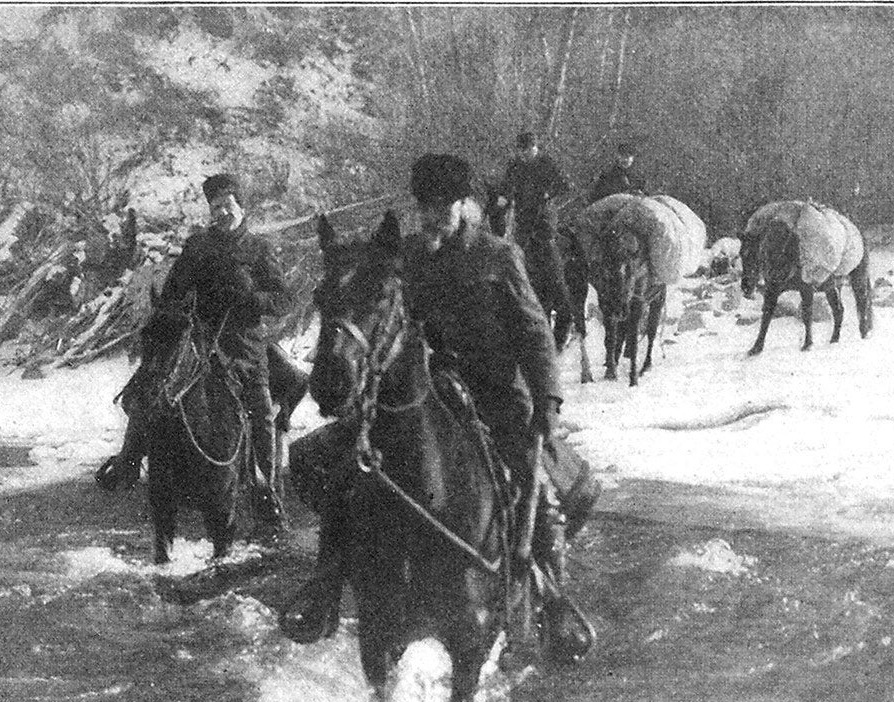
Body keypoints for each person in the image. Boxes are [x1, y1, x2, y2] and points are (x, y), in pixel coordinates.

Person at [279, 153, 572, 647]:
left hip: (493, 397)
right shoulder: (406, 256)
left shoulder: (498, 256)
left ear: (464, 205)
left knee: (532, 484)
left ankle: (549, 596)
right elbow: (375, 317)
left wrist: (547, 396)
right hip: (420, 392)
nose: (432, 219)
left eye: (442, 208)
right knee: (326, 465)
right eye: (425, 209)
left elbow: (536, 331)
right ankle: (327, 579)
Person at [95, 173, 292, 532]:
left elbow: (284, 299)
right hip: (200, 343)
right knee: (147, 389)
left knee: (261, 413)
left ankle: (266, 491)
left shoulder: (259, 249)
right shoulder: (198, 246)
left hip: (245, 348)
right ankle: (128, 460)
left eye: (227, 205)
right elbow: (173, 292)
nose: (221, 213)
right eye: (215, 207)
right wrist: (175, 312)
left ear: (241, 206)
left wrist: (252, 300)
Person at [494, 131, 576, 349]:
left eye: (529, 149)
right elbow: (506, 189)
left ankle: (559, 337)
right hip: (522, 226)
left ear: (536, 148)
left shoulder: (547, 164)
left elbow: (566, 186)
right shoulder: (515, 166)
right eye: (522, 151)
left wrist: (550, 194)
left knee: (555, 275)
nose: (526, 154)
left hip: (544, 224)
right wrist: (503, 198)